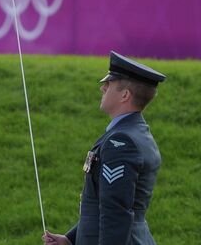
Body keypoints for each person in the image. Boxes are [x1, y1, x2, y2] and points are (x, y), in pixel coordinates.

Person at [43, 51, 166, 245]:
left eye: (109, 85)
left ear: (125, 95)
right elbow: (102, 205)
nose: (102, 88)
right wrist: (70, 239)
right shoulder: (134, 133)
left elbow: (115, 212)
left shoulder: (122, 142)